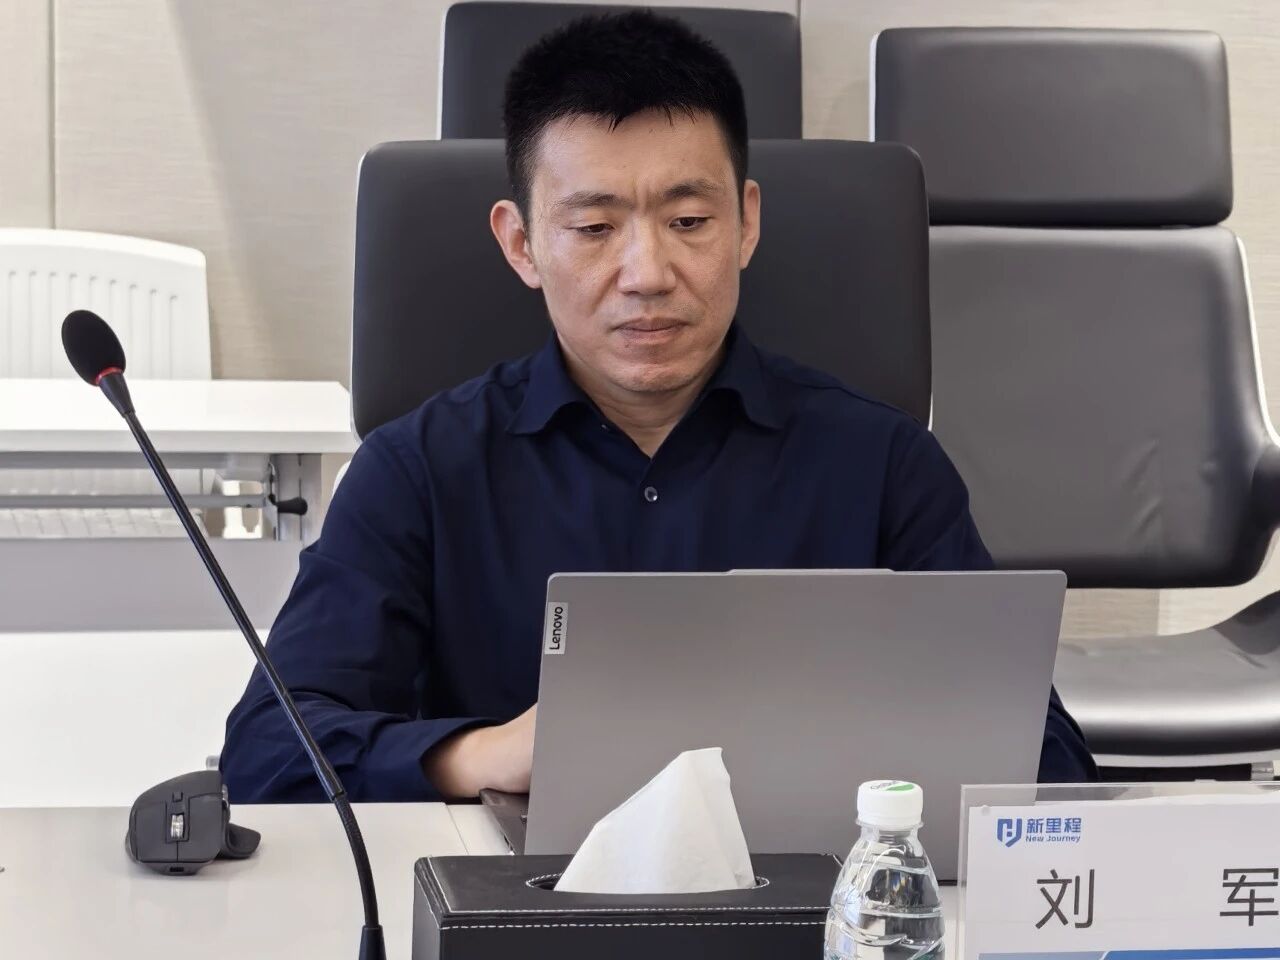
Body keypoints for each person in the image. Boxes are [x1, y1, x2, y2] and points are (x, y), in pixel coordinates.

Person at [221, 10, 1095, 802]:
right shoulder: (419, 469)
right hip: (512, 895)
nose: (646, 274)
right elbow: (267, 751)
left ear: (747, 222)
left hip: (813, 887)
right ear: (521, 244)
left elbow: (1043, 755)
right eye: (594, 228)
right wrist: (486, 755)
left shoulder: (882, 464)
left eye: (688, 222)